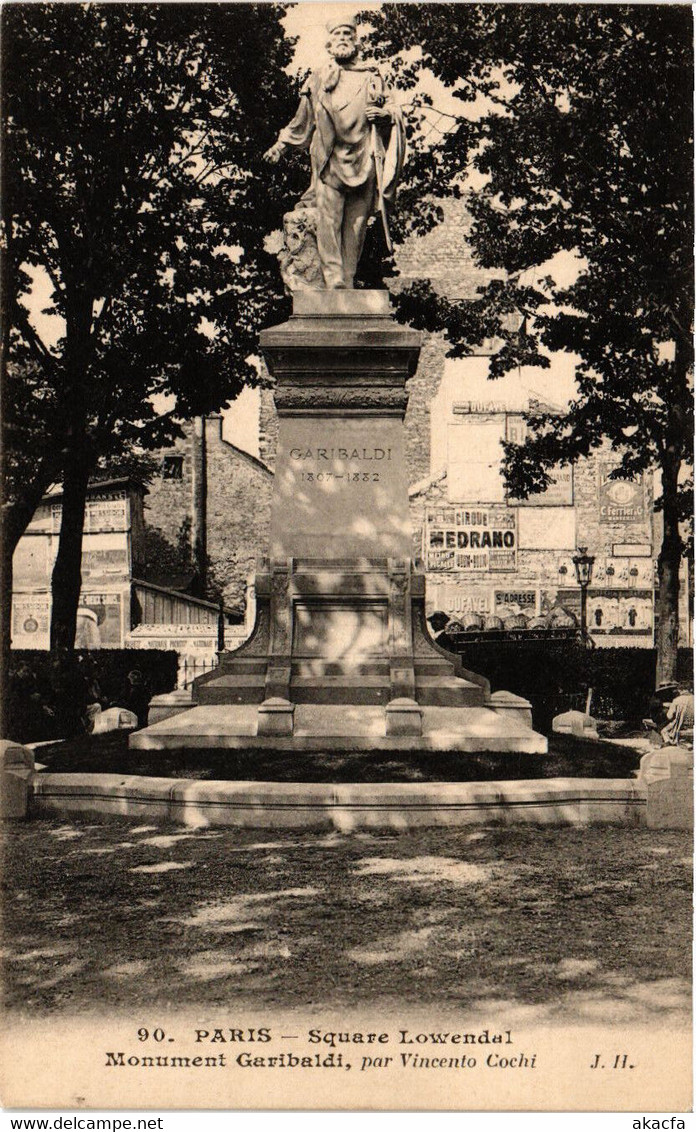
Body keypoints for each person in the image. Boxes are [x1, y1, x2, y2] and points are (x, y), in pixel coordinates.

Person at [264, 15, 405, 289]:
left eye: (347, 34)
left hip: (365, 158)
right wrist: (280, 146)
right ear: (329, 44)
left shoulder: (373, 77)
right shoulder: (318, 78)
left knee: (357, 224)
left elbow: (395, 111)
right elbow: (302, 121)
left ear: (356, 41)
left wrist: (385, 115)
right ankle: (334, 279)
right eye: (338, 34)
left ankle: (348, 277)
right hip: (330, 159)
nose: (342, 38)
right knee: (329, 220)